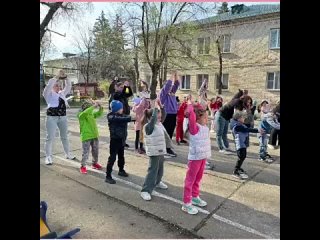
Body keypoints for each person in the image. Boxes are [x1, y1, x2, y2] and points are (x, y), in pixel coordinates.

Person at [182, 95, 211, 215]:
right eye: (205, 118)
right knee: (190, 180)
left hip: (203, 157)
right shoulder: (195, 128)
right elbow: (191, 114)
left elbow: (202, 108)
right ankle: (186, 203)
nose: (207, 119)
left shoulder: (204, 127)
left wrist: (199, 104)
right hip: (195, 158)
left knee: (198, 179)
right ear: (198, 119)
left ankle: (194, 196)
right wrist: (190, 104)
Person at [42, 69, 75, 165]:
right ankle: (48, 157)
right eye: (56, 85)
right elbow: (48, 87)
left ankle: (68, 153)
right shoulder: (48, 95)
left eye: (59, 85)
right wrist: (56, 77)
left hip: (62, 118)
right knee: (50, 137)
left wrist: (66, 77)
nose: (58, 87)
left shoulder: (62, 94)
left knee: (64, 136)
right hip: (52, 118)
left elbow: (68, 86)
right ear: (52, 87)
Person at [140, 100, 169, 201]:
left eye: (160, 117)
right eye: (158, 117)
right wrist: (156, 109)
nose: (160, 119)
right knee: (152, 170)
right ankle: (145, 190)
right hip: (153, 152)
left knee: (160, 168)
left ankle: (157, 182)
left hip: (160, 150)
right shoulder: (148, 126)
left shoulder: (159, 124)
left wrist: (161, 107)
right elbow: (153, 120)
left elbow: (163, 116)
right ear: (151, 117)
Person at [215, 89, 251, 154]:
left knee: (224, 133)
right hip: (221, 115)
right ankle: (221, 148)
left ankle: (227, 147)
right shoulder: (236, 101)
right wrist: (242, 97)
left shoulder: (239, 104)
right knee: (219, 133)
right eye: (248, 102)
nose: (248, 103)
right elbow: (236, 112)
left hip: (226, 117)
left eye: (249, 102)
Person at [105, 100, 133, 184]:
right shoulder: (111, 116)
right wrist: (130, 118)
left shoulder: (121, 115)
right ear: (116, 109)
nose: (122, 110)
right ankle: (108, 176)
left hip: (121, 140)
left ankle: (121, 170)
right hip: (114, 140)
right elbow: (121, 119)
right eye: (121, 108)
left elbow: (125, 117)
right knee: (112, 158)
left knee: (121, 156)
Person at [230, 111, 263, 179]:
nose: (244, 119)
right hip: (240, 146)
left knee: (243, 157)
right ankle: (235, 171)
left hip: (243, 145)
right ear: (238, 118)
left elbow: (247, 128)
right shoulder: (237, 127)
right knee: (241, 157)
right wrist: (258, 130)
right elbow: (247, 129)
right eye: (242, 118)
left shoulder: (241, 125)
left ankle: (238, 168)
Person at [77, 99, 104, 174]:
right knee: (85, 152)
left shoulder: (91, 114)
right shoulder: (81, 115)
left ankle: (94, 163)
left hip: (94, 135)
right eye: (90, 106)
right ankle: (83, 166)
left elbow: (99, 114)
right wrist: (93, 106)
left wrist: (100, 107)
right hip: (86, 136)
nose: (92, 107)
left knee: (95, 151)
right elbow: (85, 112)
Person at [159, 72, 180, 157]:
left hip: (173, 115)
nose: (171, 87)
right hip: (166, 115)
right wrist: (171, 75)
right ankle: (163, 150)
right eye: (169, 86)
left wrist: (176, 74)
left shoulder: (172, 93)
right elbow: (168, 85)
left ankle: (168, 149)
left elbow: (177, 83)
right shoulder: (163, 94)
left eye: (171, 87)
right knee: (165, 133)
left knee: (170, 132)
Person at [109, 80, 133, 148]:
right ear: (116, 87)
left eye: (123, 87)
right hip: (118, 115)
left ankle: (123, 142)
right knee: (119, 131)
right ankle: (119, 144)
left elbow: (128, 94)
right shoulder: (115, 94)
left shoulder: (123, 94)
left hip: (125, 114)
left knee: (124, 130)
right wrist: (126, 87)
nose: (122, 89)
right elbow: (120, 97)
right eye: (121, 87)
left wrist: (127, 87)